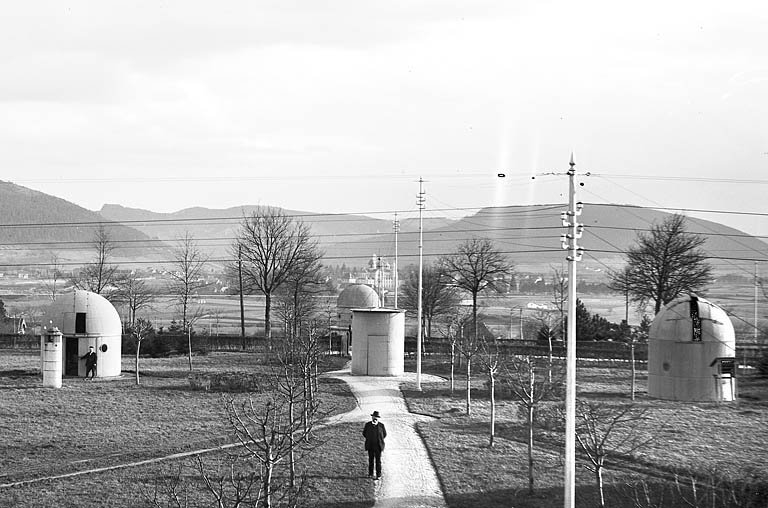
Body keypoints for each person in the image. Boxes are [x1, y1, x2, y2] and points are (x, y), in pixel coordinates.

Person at [362, 410, 386, 479]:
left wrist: (379, 440)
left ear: (378, 418)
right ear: (372, 417)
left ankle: (378, 474)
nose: (375, 418)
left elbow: (384, 434)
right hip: (370, 445)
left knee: (378, 461)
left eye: (376, 417)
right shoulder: (368, 425)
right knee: (371, 460)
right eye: (374, 417)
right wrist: (369, 438)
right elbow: (364, 433)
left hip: (378, 446)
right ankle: (370, 474)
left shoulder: (381, 426)